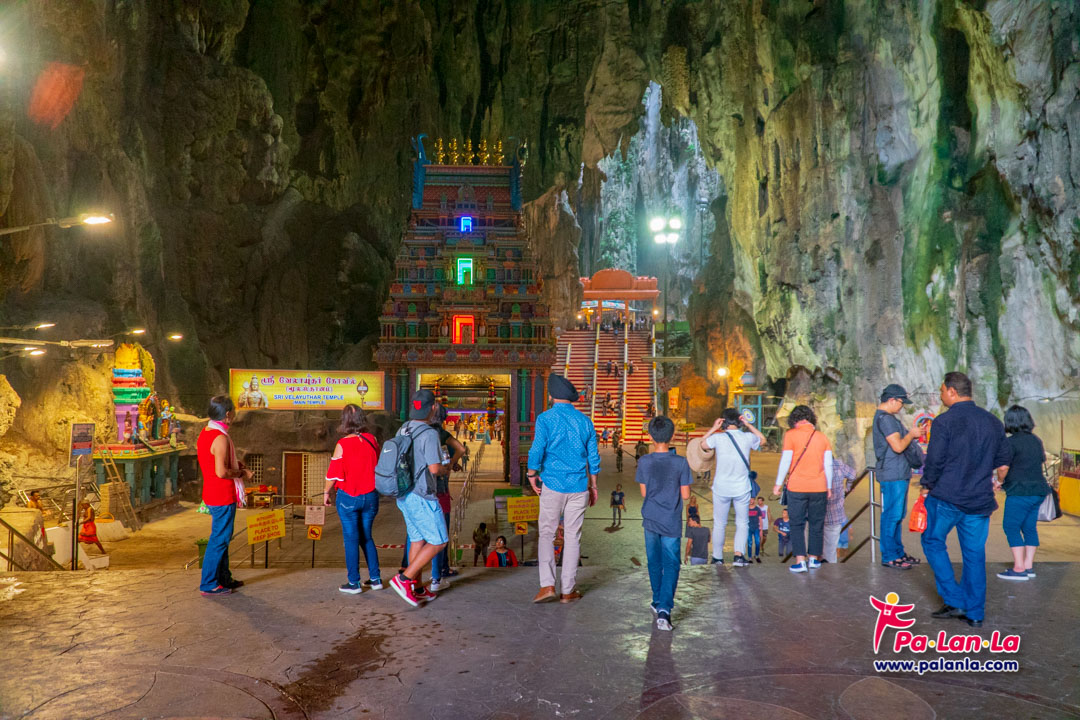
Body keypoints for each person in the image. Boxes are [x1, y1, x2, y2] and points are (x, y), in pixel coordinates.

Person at [920, 372, 1011, 627]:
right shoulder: (992, 421)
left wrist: (926, 487)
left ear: (951, 391)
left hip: (947, 498)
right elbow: (1003, 463)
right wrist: (998, 482)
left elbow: (935, 462)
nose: (940, 396)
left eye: (941, 391)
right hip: (979, 501)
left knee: (932, 541)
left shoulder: (944, 422)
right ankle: (975, 614)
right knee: (974, 555)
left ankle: (955, 598)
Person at [528, 374, 600, 604]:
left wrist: (532, 474)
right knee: (572, 537)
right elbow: (594, 458)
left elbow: (537, 449)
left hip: (553, 484)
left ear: (551, 396)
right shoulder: (585, 421)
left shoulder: (545, 419)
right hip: (579, 486)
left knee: (547, 534)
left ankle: (547, 585)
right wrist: (594, 485)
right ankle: (568, 590)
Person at [388, 390, 449, 607]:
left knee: (417, 539)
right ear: (432, 408)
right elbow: (434, 468)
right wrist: (446, 467)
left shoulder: (403, 427)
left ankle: (418, 586)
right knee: (439, 540)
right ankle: (404, 579)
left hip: (403, 493)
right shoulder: (430, 433)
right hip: (422, 494)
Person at [637, 416, 693, 631]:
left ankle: (657, 600)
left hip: (650, 517)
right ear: (673, 436)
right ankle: (664, 609)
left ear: (650, 437)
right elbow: (686, 495)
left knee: (654, 561)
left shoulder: (644, 461)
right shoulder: (680, 462)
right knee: (671, 563)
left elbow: (644, 492)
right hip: (671, 520)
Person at [322, 404, 382, 594]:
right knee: (367, 537)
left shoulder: (343, 444)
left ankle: (354, 582)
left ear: (345, 420)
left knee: (350, 538)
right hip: (371, 497)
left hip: (349, 497)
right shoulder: (373, 440)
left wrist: (326, 493)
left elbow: (333, 474)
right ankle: (376, 579)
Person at [196, 395, 250, 596]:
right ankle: (209, 583)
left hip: (212, 492)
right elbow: (221, 471)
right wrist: (242, 473)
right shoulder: (220, 438)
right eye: (233, 412)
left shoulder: (207, 432)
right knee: (219, 539)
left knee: (223, 538)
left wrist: (238, 466)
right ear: (228, 415)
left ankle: (224, 578)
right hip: (221, 494)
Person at [700, 408, 766, 567]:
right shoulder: (748, 437)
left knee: (719, 523)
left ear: (723, 421)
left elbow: (702, 444)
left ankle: (717, 557)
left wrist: (714, 428)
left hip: (721, 488)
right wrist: (748, 424)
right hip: (741, 488)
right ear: (739, 421)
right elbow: (762, 440)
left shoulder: (718, 438)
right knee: (742, 523)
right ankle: (738, 556)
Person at [772, 405, 833, 573]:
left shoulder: (790, 435)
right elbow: (828, 463)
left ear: (794, 420)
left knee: (797, 524)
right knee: (816, 524)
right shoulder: (822, 437)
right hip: (819, 487)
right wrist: (828, 486)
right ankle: (814, 559)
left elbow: (786, 460)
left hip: (797, 487)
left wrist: (778, 484)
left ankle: (800, 561)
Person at [873, 384, 927, 569]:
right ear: (892, 400)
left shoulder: (886, 418)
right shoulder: (885, 419)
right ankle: (889, 555)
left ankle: (897, 552)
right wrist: (911, 434)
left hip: (897, 472)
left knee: (897, 515)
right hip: (892, 473)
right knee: (892, 515)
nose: (902, 406)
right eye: (901, 403)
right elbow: (897, 446)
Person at [995, 405, 1050, 581]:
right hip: (1038, 491)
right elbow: (1040, 461)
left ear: (1010, 421)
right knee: (1029, 527)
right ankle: (1028, 566)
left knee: (1010, 526)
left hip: (1020, 491)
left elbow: (1003, 467)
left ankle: (1018, 569)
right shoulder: (1036, 440)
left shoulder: (1010, 442)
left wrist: (999, 481)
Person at [823, 458, 857, 563]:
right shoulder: (838, 464)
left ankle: (815, 570)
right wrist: (848, 487)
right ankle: (831, 571)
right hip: (835, 514)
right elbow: (853, 474)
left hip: (816, 515)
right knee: (831, 550)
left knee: (815, 550)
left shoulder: (813, 464)